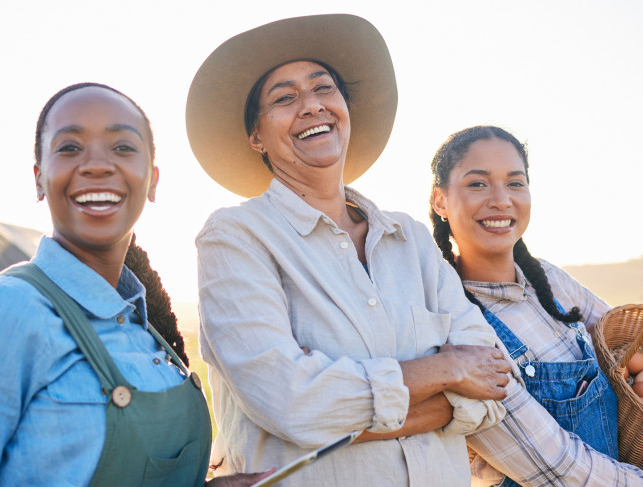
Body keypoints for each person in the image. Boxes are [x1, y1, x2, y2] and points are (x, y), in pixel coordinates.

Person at [186, 14, 511, 487]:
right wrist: (446, 368)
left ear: (345, 107)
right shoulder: (236, 237)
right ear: (256, 136)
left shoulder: (411, 239)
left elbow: (496, 383)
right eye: (284, 98)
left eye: (324, 89)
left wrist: (341, 417)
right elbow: (290, 401)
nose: (311, 106)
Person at [0, 82, 272, 486]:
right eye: (69, 147)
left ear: (152, 180)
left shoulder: (145, 331)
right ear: (39, 178)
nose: (97, 165)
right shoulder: (4, 310)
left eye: (123, 147)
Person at [429, 125, 643, 486]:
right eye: (478, 183)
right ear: (440, 200)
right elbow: (559, 467)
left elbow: (631, 342)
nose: (501, 199)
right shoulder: (460, 327)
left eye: (515, 183)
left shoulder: (547, 279)